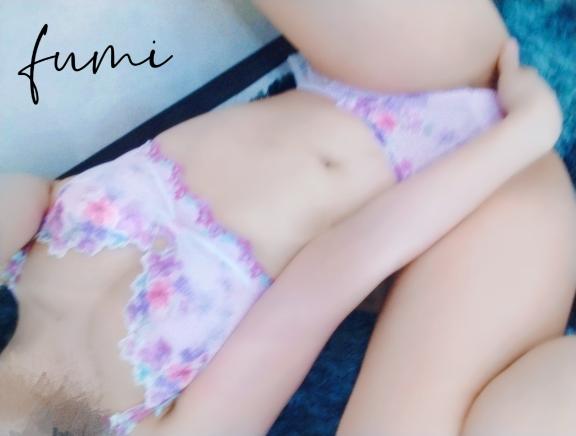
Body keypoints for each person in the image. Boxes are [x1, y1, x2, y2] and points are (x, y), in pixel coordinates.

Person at [0, 1, 573, 435]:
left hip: (381, 79)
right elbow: (322, 286)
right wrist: (522, 134)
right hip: (466, 195)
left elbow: (25, 191)